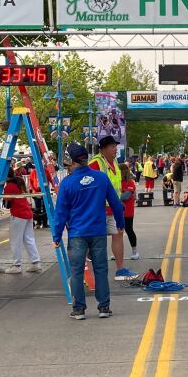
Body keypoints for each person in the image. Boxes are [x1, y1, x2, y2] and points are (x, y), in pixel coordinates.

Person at [52, 143, 124, 320]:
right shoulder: (101, 178)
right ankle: (104, 307)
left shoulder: (67, 183)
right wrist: (120, 223)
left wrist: (57, 234)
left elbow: (60, 212)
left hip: (77, 233)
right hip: (98, 230)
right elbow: (115, 203)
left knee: (76, 271)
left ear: (71, 161)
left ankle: (79, 309)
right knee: (101, 269)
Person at [89, 136, 137, 280]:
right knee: (95, 240)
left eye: (116, 146)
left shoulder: (115, 162)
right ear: (103, 149)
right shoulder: (95, 164)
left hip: (114, 208)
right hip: (99, 209)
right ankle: (89, 272)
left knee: (118, 234)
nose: (116, 149)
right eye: (112, 147)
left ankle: (120, 269)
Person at [3, 168, 42, 274]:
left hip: (18, 215)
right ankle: (36, 262)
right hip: (27, 213)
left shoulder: (9, 186)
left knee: (15, 240)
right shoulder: (18, 183)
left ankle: (17, 264)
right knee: (29, 239)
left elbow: (7, 204)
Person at [119, 162, 140, 260]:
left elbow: (125, 196)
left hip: (127, 211)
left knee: (129, 230)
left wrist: (116, 195)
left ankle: (135, 252)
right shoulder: (118, 181)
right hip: (118, 211)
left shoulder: (130, 182)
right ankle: (118, 253)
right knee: (117, 233)